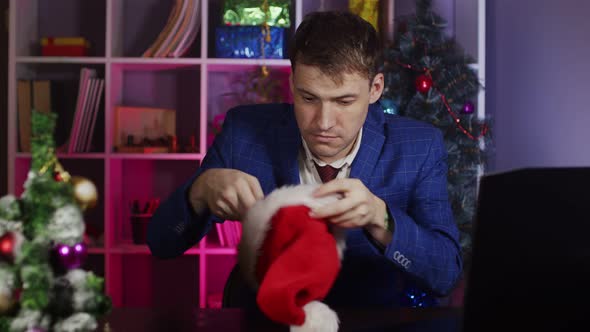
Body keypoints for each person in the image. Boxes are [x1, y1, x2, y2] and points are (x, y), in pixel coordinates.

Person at [147, 10, 462, 308]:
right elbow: (162, 244)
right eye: (309, 98)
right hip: (265, 317)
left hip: (373, 316)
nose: (323, 122)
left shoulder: (419, 146)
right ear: (292, 84)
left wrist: (382, 218)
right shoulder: (243, 133)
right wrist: (199, 191)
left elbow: (445, 275)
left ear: (375, 88)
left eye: (344, 101)